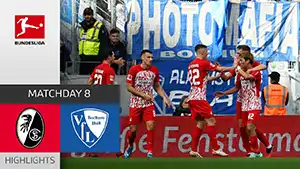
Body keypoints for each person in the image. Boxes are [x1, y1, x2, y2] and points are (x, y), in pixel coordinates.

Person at [215, 52, 271, 158]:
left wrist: (237, 68)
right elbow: (237, 88)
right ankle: (257, 152)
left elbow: (248, 77)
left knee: (250, 127)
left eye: (241, 61)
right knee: (247, 128)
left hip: (254, 103)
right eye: (239, 61)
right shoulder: (240, 72)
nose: (240, 63)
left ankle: (255, 151)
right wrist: (224, 93)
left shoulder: (256, 72)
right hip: (244, 104)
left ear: (248, 61)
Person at [187, 44, 235, 158]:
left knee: (200, 123)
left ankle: (193, 150)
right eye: (207, 52)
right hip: (199, 98)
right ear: (203, 53)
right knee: (211, 121)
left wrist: (216, 77)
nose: (208, 54)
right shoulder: (204, 62)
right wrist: (234, 66)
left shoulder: (191, 65)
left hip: (192, 98)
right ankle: (216, 148)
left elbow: (204, 79)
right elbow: (221, 69)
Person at [123, 50, 171, 158]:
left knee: (151, 125)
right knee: (133, 131)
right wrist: (142, 95)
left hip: (148, 103)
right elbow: (129, 87)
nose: (151, 59)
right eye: (148, 57)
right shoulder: (134, 69)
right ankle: (130, 146)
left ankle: (149, 152)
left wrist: (164, 97)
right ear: (143, 58)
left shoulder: (154, 70)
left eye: (152, 57)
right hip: (135, 103)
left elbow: (157, 86)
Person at [78, 7, 110, 75]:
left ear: (92, 15)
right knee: (82, 78)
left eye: (89, 14)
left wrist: (101, 58)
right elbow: (82, 41)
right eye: (85, 15)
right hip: (83, 57)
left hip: (95, 58)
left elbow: (104, 43)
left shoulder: (99, 26)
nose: (87, 16)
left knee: (94, 78)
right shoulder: (82, 27)